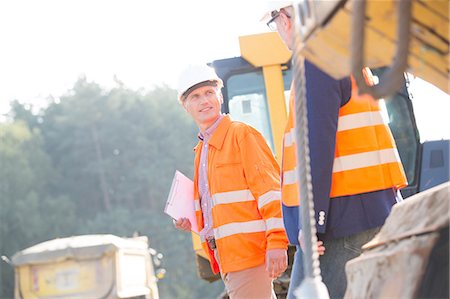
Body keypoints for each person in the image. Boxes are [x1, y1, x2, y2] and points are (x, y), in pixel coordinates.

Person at [262, 3, 408, 298]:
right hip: (362, 210)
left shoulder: (315, 58)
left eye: (273, 22)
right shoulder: (341, 53)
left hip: (340, 222)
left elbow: (317, 144)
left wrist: (312, 220)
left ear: (288, 18)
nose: (277, 31)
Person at [173, 64, 289, 299]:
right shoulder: (202, 150)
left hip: (250, 255)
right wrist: (192, 219)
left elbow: (271, 192)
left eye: (208, 93)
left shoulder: (241, 135)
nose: (204, 101)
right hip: (228, 258)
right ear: (186, 106)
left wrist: (278, 242)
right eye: (195, 96)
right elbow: (220, 207)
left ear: (219, 96)